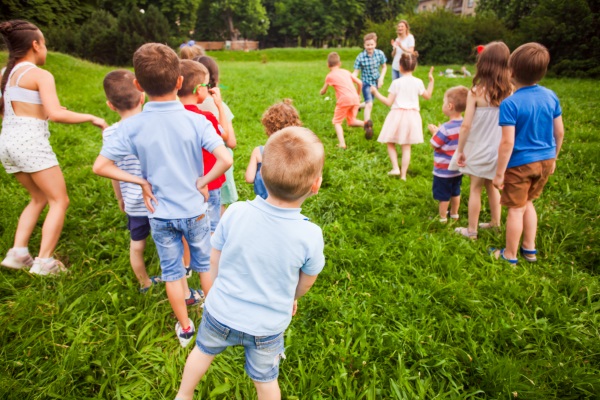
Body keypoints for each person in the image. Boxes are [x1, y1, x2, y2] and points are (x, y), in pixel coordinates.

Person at [93, 43, 233, 347]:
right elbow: (226, 157)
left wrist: (138, 181)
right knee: (204, 265)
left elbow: (100, 166)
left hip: (160, 214)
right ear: (179, 82)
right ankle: (213, 315)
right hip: (195, 211)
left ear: (139, 85)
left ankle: (185, 328)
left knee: (172, 273)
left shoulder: (132, 127)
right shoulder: (196, 120)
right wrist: (204, 180)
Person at [175, 127, 325, 400]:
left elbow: (214, 258)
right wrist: (292, 297)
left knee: (203, 352)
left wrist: (216, 289)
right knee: (266, 381)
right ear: (316, 185)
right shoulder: (310, 234)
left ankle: (183, 395)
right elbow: (308, 278)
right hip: (267, 326)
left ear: (261, 176)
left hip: (220, 312)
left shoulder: (236, 212)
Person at [0, 20, 107, 274]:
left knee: (38, 198)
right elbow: (56, 113)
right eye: (45, 43)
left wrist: (45, 113)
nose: (45, 49)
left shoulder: (5, 73)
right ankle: (44, 261)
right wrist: (92, 118)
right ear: (35, 45)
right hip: (31, 144)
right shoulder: (40, 75)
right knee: (59, 200)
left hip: (7, 143)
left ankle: (18, 253)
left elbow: (14, 110)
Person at [490, 43, 564, 264]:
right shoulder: (551, 96)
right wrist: (554, 158)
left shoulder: (510, 103)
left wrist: (499, 173)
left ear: (510, 72)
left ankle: (509, 255)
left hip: (520, 164)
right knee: (528, 202)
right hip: (545, 160)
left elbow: (507, 142)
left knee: (515, 209)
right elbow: (559, 132)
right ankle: (529, 249)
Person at [102, 70, 161, 292]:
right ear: (142, 97)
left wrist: (120, 197)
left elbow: (112, 171)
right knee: (167, 242)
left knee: (137, 245)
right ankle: (175, 278)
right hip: (158, 200)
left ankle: (144, 283)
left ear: (110, 105)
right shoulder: (154, 126)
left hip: (133, 203)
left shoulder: (109, 134)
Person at [449, 42, 512, 240]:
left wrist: (460, 150)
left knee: (475, 187)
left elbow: (466, 126)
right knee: (493, 187)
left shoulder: (476, 92)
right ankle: (495, 223)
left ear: (483, 64)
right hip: (499, 149)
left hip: (478, 148)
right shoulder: (510, 91)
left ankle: (472, 230)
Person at [178, 59, 228, 305]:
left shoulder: (170, 117)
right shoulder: (206, 117)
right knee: (210, 237)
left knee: (187, 232)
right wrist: (218, 105)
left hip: (181, 188)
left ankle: (186, 269)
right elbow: (227, 140)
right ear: (200, 90)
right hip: (211, 185)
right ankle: (214, 289)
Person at [371, 53, 434, 180]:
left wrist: (376, 93)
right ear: (414, 67)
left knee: (390, 142)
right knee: (406, 147)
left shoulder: (396, 82)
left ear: (400, 66)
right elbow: (428, 96)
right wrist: (431, 81)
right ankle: (403, 175)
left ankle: (395, 168)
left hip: (397, 115)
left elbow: (388, 102)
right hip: (412, 116)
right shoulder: (419, 82)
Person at [194, 56, 238, 215]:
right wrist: (220, 106)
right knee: (219, 205)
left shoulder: (184, 105)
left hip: (195, 165)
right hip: (218, 164)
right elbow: (231, 141)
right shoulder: (217, 105)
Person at [245, 99, 302, 199]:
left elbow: (249, 178)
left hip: (263, 204)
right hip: (287, 203)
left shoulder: (259, 152)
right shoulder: (296, 152)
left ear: (268, 127)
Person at [428, 86, 469, 223]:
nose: (443, 105)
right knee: (455, 191)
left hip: (443, 170)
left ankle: (442, 217)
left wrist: (435, 132)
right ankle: (454, 214)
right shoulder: (465, 124)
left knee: (443, 195)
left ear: (450, 106)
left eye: (444, 103)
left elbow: (434, 143)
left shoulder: (445, 128)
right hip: (457, 168)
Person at [320, 52, 365, 149]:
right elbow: (360, 83)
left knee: (337, 122)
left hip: (344, 100)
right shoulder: (346, 72)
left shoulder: (330, 76)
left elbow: (323, 91)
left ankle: (342, 144)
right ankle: (365, 124)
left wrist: (321, 92)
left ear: (328, 65)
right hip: (355, 99)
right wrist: (358, 95)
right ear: (339, 64)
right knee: (351, 121)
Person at [353, 32, 387, 139]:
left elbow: (384, 67)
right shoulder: (360, 57)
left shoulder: (380, 54)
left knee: (369, 103)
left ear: (375, 44)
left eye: (372, 44)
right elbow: (356, 72)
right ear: (364, 45)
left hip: (376, 82)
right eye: (367, 45)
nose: (370, 47)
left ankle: (357, 106)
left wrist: (381, 78)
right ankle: (367, 126)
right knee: (369, 104)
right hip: (366, 83)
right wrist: (351, 80)